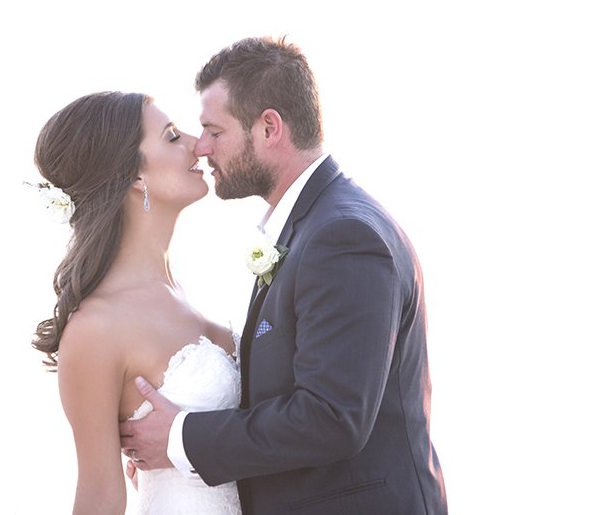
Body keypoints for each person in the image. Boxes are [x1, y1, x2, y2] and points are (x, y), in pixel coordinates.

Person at [119, 37, 448, 514]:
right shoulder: (315, 227)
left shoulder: (343, 237)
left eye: (214, 130)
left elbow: (331, 417)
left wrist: (180, 439)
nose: (202, 147)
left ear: (269, 128)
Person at [29, 91, 243, 514]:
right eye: (171, 137)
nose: (198, 143)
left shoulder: (182, 292)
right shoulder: (97, 327)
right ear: (134, 176)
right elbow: (99, 496)